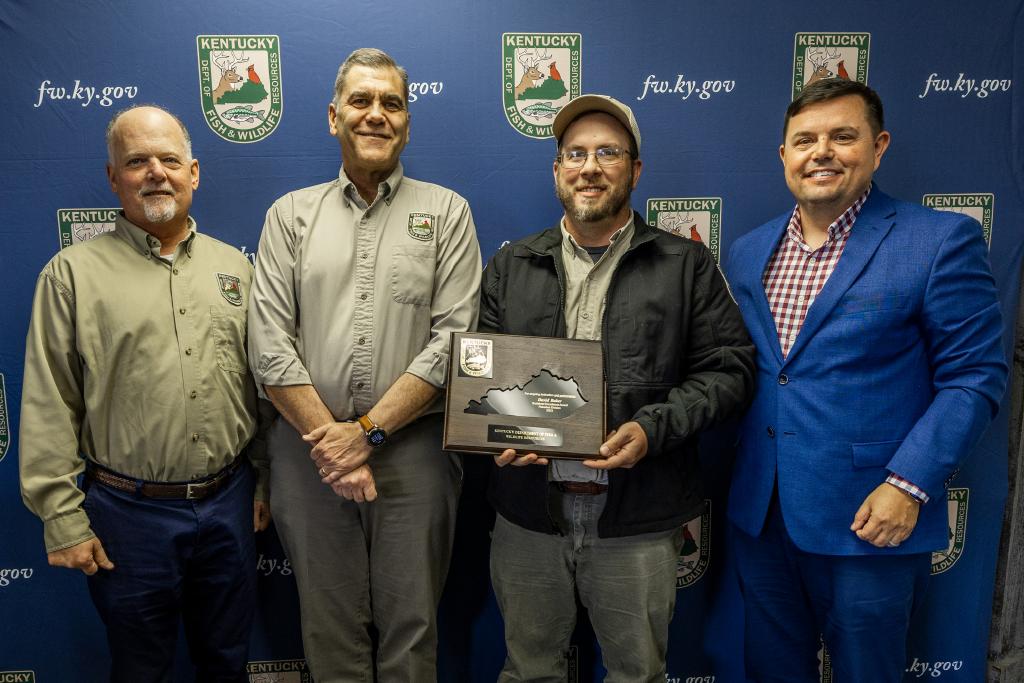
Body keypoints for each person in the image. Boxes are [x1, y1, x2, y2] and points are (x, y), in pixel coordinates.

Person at [723, 78, 1008, 682]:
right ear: (783, 156)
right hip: (762, 515)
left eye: (842, 136)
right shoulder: (749, 253)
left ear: (878, 147)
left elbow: (975, 377)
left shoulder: (937, 241)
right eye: (805, 140)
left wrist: (908, 485)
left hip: (870, 518)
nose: (821, 152)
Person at [478, 94, 756, 682]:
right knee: (528, 671)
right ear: (557, 170)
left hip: (637, 514)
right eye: (575, 153)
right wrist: (497, 428)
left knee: (637, 674)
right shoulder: (512, 265)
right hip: (529, 513)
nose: (590, 166)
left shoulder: (685, 265)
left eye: (609, 152)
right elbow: (484, 376)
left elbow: (731, 369)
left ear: (635, 170)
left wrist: (652, 428)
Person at [247, 48, 481, 681]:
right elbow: (269, 346)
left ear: (407, 121)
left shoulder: (450, 213)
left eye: (392, 103)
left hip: (414, 454)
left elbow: (454, 344)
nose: (376, 114)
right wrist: (333, 444)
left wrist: (368, 433)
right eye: (361, 101)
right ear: (333, 117)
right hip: (306, 455)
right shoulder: (289, 216)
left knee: (413, 629)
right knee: (329, 631)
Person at [19, 104, 270, 682]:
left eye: (169, 159)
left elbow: (262, 389)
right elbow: (49, 402)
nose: (156, 172)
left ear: (194, 173)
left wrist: (266, 479)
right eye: (137, 161)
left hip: (230, 502)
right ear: (114, 177)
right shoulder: (71, 275)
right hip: (127, 515)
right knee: (140, 670)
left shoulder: (237, 268)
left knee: (228, 663)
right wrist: (62, 519)